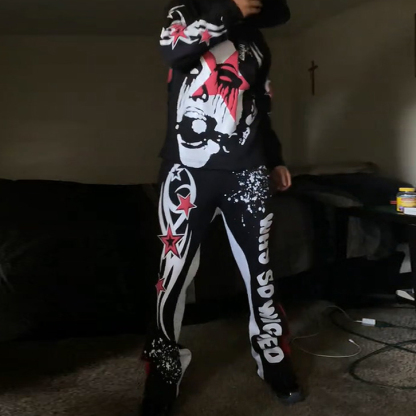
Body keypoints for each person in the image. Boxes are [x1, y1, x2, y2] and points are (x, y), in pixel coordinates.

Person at [141, 0, 304, 414]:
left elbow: (260, 106)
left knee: (260, 269)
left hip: (247, 171)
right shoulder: (185, 13)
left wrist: (275, 158)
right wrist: (229, 9)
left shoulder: (257, 43)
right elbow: (173, 52)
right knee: (172, 273)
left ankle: (271, 352)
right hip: (186, 172)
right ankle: (163, 364)